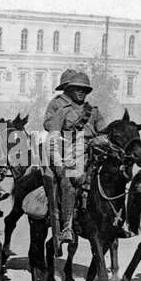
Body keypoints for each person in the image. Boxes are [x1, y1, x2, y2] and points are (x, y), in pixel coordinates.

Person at [43, 70, 106, 243]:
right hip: (69, 151)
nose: (81, 92)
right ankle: (67, 227)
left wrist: (100, 140)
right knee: (69, 181)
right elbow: (51, 128)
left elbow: (103, 132)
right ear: (69, 89)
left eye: (84, 89)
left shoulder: (93, 111)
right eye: (77, 89)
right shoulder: (61, 108)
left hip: (91, 152)